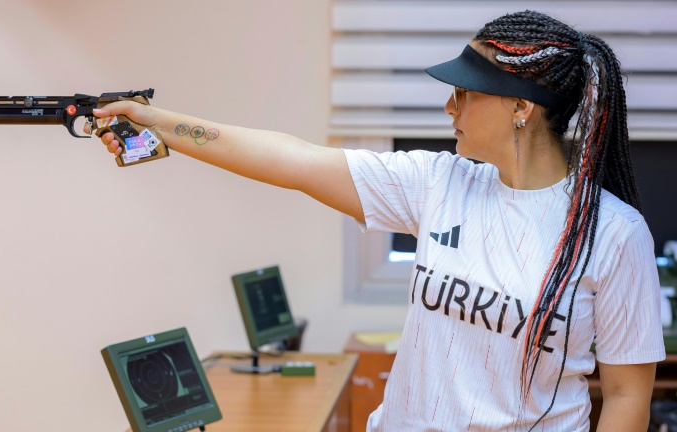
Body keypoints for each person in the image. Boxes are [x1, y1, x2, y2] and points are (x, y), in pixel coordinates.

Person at [90, 10, 664, 431]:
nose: (449, 108)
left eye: (465, 94)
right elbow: (290, 161)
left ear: (522, 108)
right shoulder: (438, 183)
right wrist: (156, 121)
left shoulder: (613, 235)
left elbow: (624, 398)